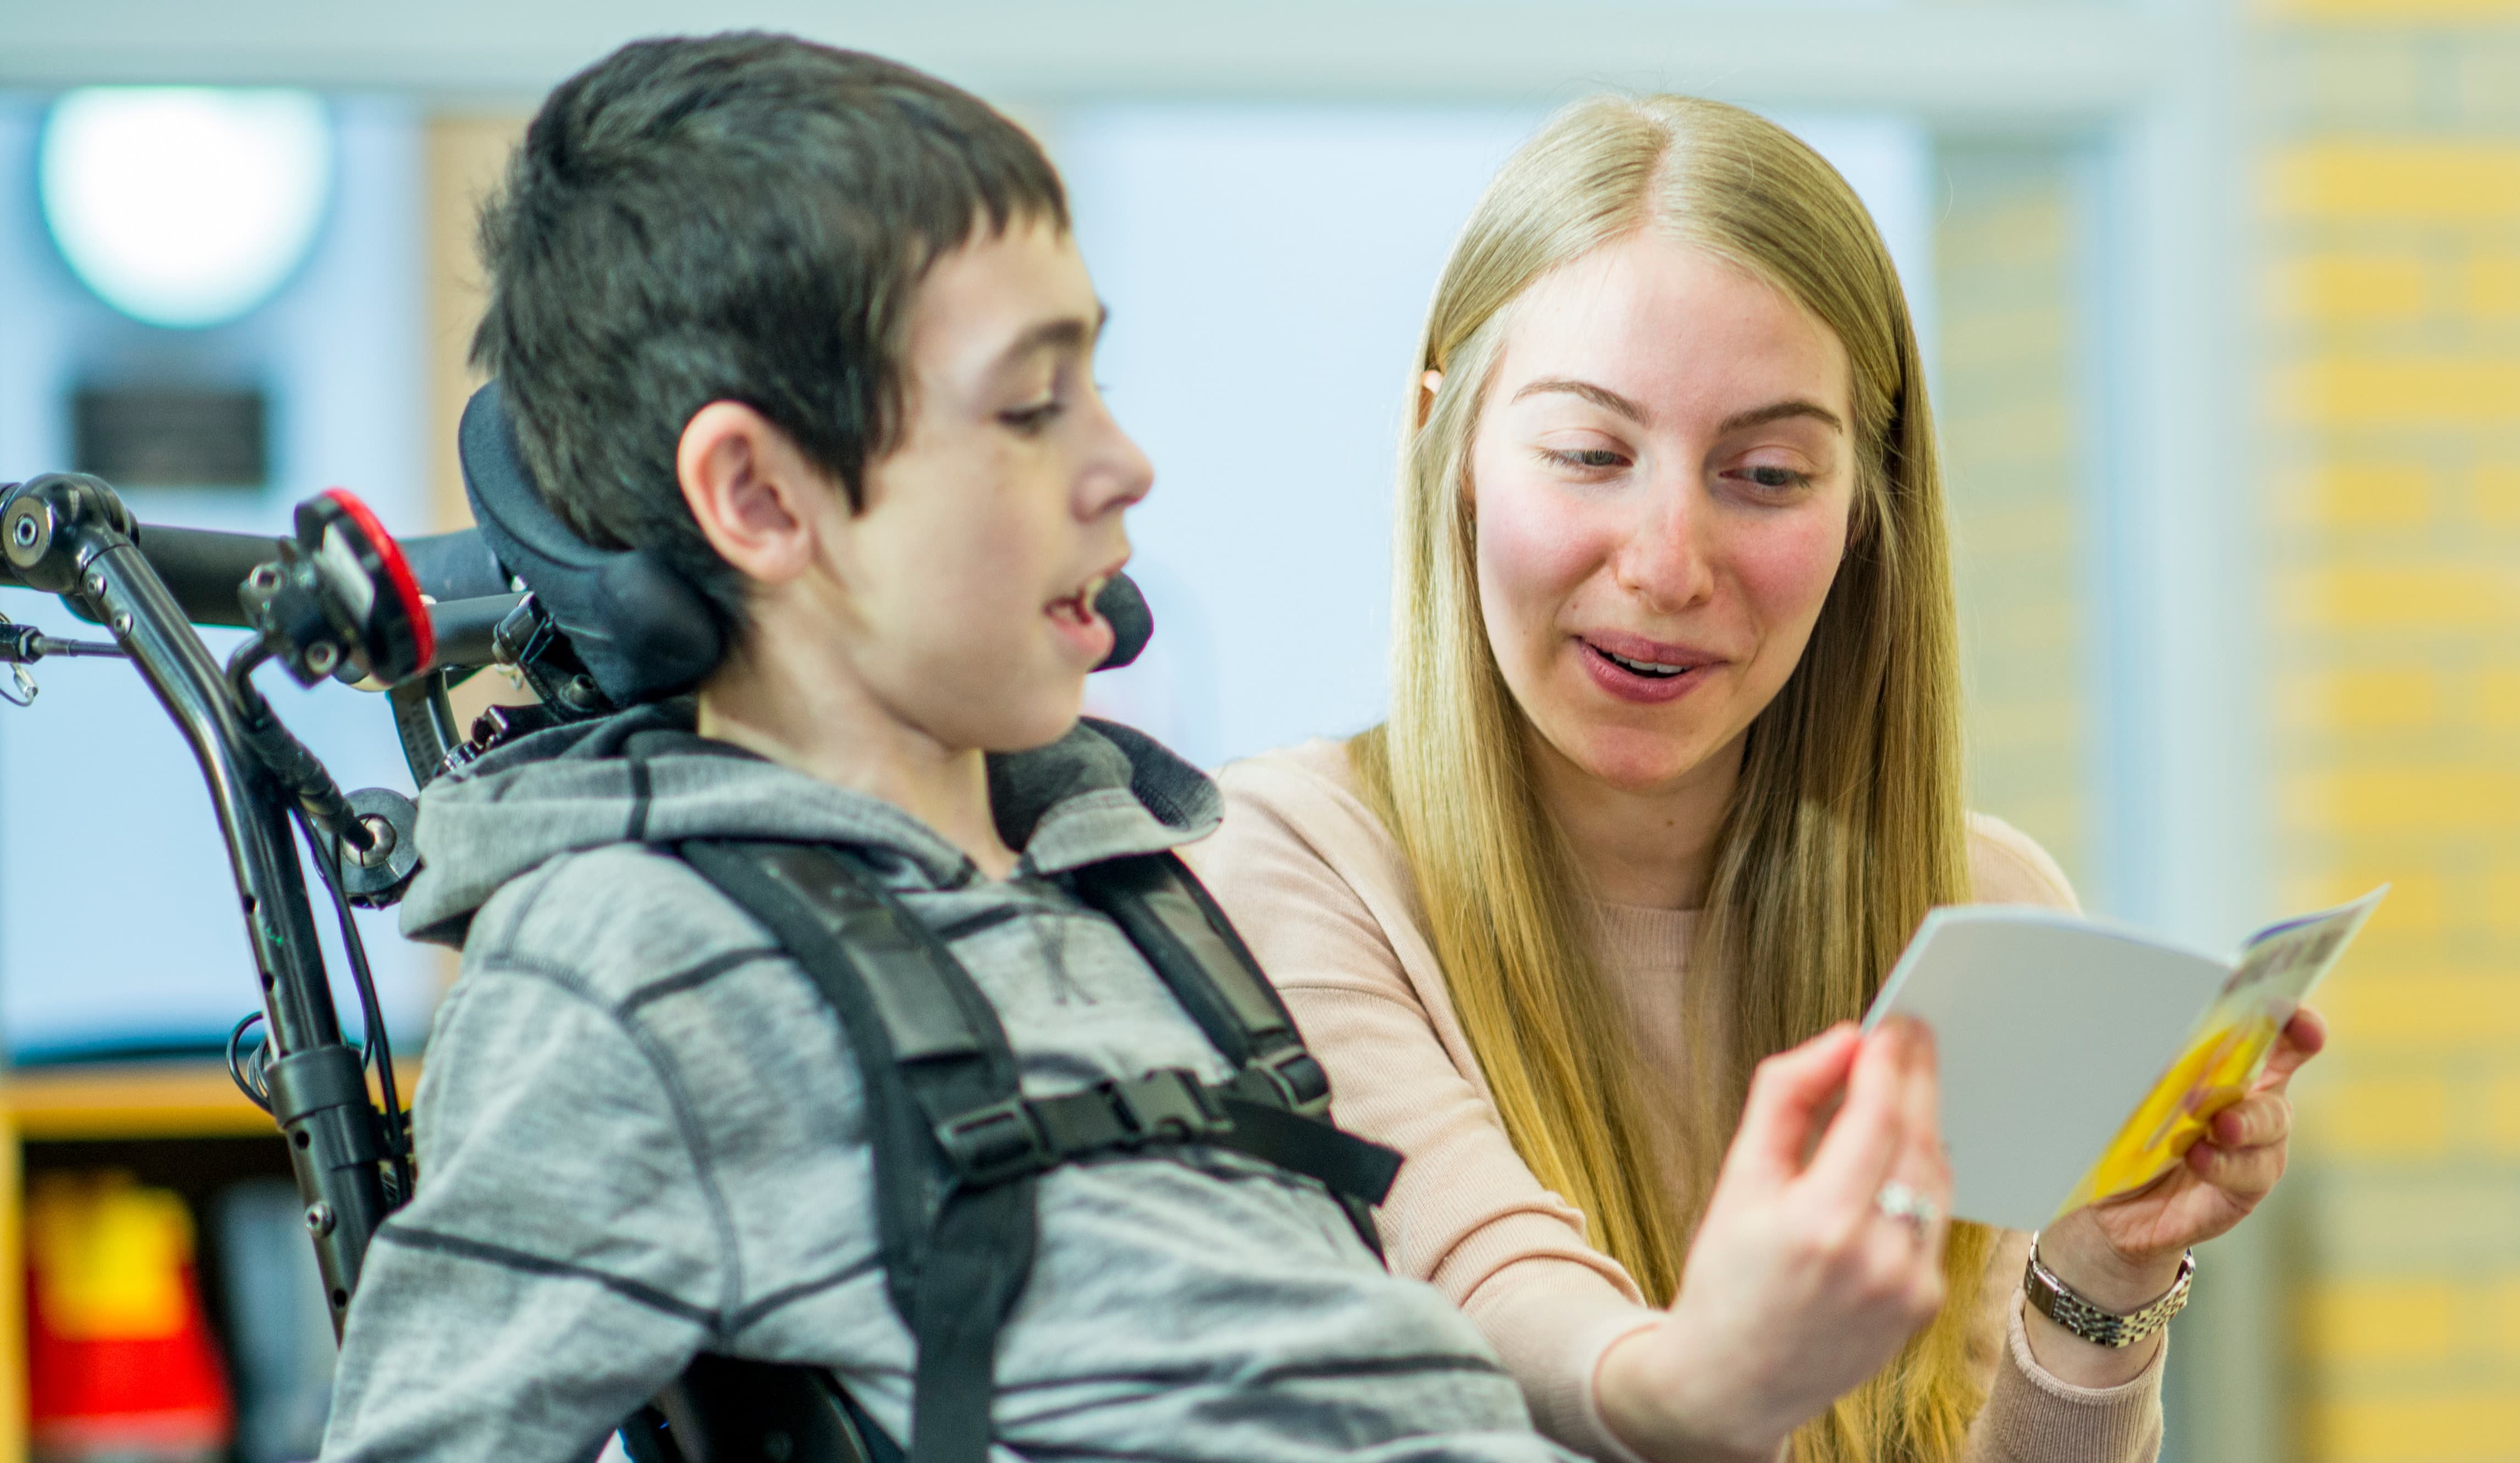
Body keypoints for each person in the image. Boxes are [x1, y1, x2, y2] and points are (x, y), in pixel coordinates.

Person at [320, 34, 1586, 1462]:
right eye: (1031, 406)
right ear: (759, 493)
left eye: (1093, 384)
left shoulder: (1123, 873)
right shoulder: (629, 960)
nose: (1125, 465)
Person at [1187, 95, 2324, 1463]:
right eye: (1589, 454)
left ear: (1865, 505)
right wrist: (1689, 1384)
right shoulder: (1281, 862)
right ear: (1453, 452)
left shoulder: (1977, 903)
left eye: (1768, 473)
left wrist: (2102, 1273)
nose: (1668, 563)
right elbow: (1484, 1280)